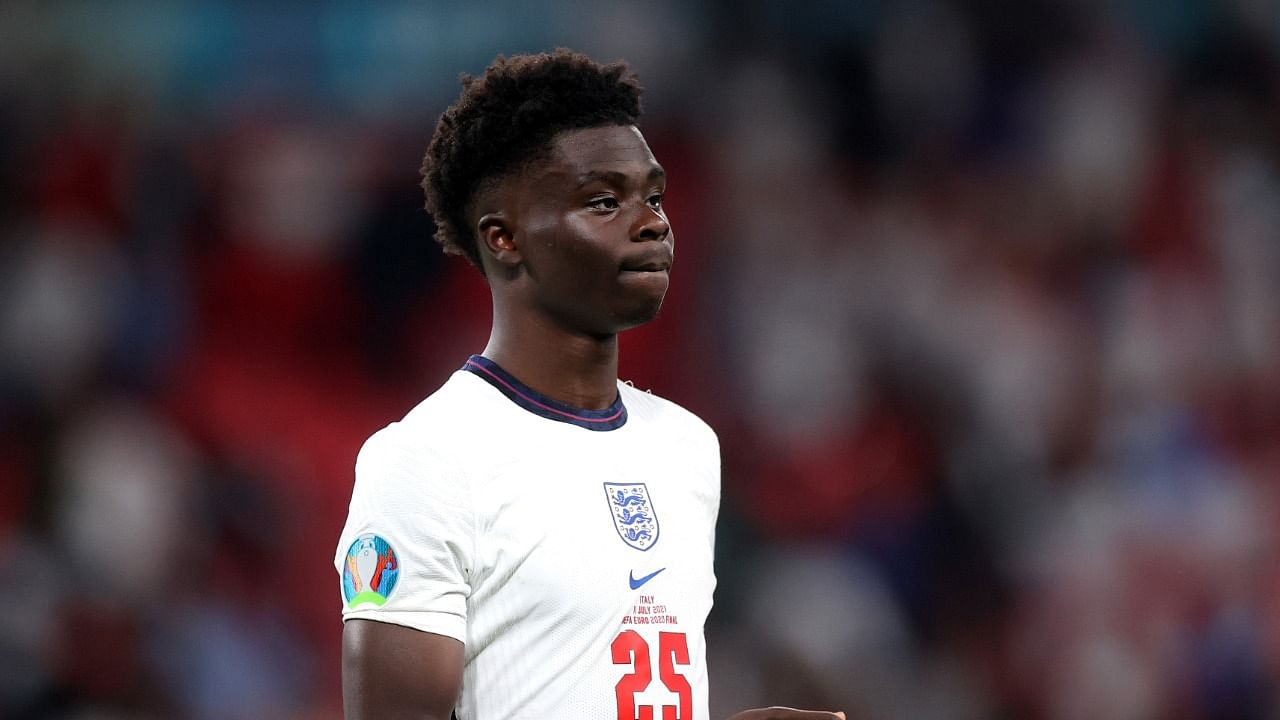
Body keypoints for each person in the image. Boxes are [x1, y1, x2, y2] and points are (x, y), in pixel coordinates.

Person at [336, 49, 845, 720]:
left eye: (653, 196)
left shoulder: (687, 447)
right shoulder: (427, 460)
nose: (652, 223)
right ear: (504, 239)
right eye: (603, 201)